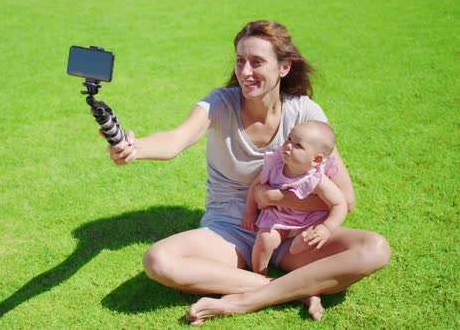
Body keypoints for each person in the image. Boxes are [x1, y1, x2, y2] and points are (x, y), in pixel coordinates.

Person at [106, 20, 390, 324]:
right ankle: (291, 288)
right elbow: (177, 139)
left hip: (293, 233)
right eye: (240, 61)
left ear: (283, 68)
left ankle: (243, 301)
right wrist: (135, 148)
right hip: (231, 229)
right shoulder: (220, 103)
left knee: (374, 248)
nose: (245, 71)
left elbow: (345, 199)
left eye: (257, 62)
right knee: (159, 261)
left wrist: (271, 197)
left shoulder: (305, 113)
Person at [241, 121, 348, 277]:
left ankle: (299, 254)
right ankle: (260, 274)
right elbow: (255, 186)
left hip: (309, 220)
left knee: (308, 240)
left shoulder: (318, 179)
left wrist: (326, 228)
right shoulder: (275, 166)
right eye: (289, 139)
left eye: (298, 145)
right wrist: (250, 212)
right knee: (264, 240)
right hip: (279, 216)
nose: (288, 145)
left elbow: (339, 204)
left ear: (316, 160)